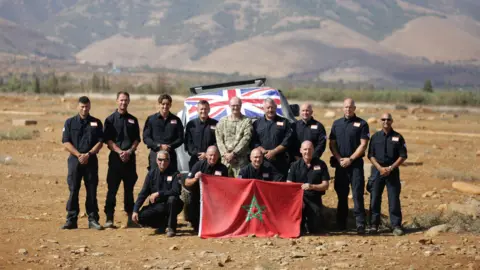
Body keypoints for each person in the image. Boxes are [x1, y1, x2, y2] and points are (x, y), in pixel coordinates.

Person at [61, 96, 104, 230]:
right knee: (73, 189)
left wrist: (89, 154)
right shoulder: (70, 122)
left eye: (86, 106)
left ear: (90, 106)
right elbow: (66, 141)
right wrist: (79, 155)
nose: (84, 109)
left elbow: (100, 141)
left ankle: (93, 220)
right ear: (78, 107)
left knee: (91, 191)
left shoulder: (96, 122)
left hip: (91, 161)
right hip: (75, 160)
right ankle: (71, 220)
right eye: (82, 106)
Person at [329, 98, 369, 234]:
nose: (348, 109)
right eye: (346, 107)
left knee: (357, 194)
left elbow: (363, 144)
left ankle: (360, 224)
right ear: (343, 108)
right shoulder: (337, 124)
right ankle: (341, 224)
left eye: (350, 107)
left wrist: (350, 159)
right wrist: (340, 159)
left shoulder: (362, 124)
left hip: (355, 164)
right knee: (341, 194)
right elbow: (332, 144)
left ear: (354, 108)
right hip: (340, 165)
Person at [102, 91, 140, 228]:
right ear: (117, 101)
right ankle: (109, 219)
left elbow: (137, 139)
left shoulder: (133, 120)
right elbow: (108, 140)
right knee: (112, 190)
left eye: (126, 100)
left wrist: (129, 151)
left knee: (129, 190)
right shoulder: (110, 120)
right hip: (115, 160)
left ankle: (130, 219)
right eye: (121, 100)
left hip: (130, 160)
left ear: (129, 101)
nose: (123, 102)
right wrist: (119, 152)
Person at [368, 113, 407, 236]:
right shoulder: (375, 137)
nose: (386, 121)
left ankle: (396, 226)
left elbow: (403, 156)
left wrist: (390, 168)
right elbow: (370, 155)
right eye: (383, 119)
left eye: (388, 119)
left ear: (392, 121)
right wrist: (380, 168)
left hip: (392, 172)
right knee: (374, 199)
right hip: (377, 172)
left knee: (394, 199)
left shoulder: (398, 137)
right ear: (380, 121)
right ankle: (374, 225)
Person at [131, 151, 183, 237]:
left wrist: (159, 193)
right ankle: (162, 225)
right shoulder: (151, 174)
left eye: (165, 160)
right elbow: (143, 193)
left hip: (171, 204)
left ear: (169, 161)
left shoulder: (175, 173)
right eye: (160, 160)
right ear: (156, 160)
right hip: (158, 206)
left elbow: (176, 191)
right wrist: (135, 210)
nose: (163, 162)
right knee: (140, 217)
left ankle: (171, 228)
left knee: (172, 199)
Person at [287, 141, 329, 234]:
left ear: (313, 150)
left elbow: (325, 185)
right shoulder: (294, 165)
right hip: (299, 199)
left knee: (315, 229)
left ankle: (309, 224)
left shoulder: (321, 164)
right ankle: (301, 225)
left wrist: (312, 186)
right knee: (297, 229)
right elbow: (289, 184)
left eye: (310, 149)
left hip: (314, 198)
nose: (307, 152)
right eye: (305, 149)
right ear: (300, 151)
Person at [184, 146, 228, 232]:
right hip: (198, 197)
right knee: (197, 227)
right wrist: (195, 178)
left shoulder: (223, 168)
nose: (213, 158)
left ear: (218, 156)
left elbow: (226, 187)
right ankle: (192, 220)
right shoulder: (198, 165)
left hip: (215, 198)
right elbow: (187, 182)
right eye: (210, 155)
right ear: (206, 155)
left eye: (215, 155)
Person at [251, 98, 293, 180]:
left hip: (280, 163)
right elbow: (253, 141)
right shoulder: (257, 123)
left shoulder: (284, 122)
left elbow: (288, 140)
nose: (270, 110)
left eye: (272, 107)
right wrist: (263, 151)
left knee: (279, 189)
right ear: (263, 108)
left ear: (276, 107)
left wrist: (274, 152)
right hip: (262, 163)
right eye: (268, 108)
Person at [143, 94, 184, 172]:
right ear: (159, 104)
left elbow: (180, 138)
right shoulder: (151, 119)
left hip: (170, 154)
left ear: (170, 105)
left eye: (167, 104)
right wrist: (159, 146)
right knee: (155, 179)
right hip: (155, 154)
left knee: (171, 179)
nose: (165, 106)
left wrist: (169, 146)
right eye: (163, 104)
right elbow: (146, 138)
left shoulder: (176, 120)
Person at [216, 97, 252, 177]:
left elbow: (246, 138)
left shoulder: (246, 121)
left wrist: (233, 153)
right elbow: (219, 139)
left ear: (241, 106)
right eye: (233, 105)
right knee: (224, 185)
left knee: (240, 185)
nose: (235, 107)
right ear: (229, 106)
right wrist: (226, 154)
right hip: (225, 161)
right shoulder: (222, 121)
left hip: (240, 162)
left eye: (237, 105)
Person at [184, 100, 218, 169]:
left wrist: (207, 154)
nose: (203, 111)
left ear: (209, 110)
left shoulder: (215, 124)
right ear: (197, 110)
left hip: (211, 160)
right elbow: (188, 143)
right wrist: (198, 154)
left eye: (205, 109)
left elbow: (217, 142)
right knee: (194, 179)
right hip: (195, 160)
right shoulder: (191, 124)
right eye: (201, 109)